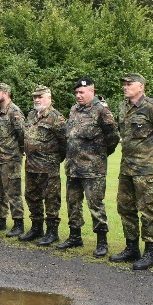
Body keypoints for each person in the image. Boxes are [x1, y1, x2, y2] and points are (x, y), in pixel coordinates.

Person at [107, 73, 153, 269]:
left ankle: (150, 252)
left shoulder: (151, 107)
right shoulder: (123, 107)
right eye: (125, 84)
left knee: (147, 211)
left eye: (130, 84)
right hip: (127, 167)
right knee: (125, 208)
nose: (125, 86)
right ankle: (131, 248)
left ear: (141, 87)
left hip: (147, 170)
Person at [58, 78, 119, 254]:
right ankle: (75, 236)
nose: (78, 95)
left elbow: (113, 137)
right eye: (76, 92)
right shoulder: (74, 109)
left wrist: (99, 155)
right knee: (73, 203)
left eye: (81, 92)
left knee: (95, 204)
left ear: (91, 91)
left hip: (93, 168)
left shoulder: (101, 110)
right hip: (73, 167)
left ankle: (102, 242)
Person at [20, 85, 67, 246]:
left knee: (51, 199)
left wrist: (54, 159)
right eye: (35, 97)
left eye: (40, 96)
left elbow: (64, 143)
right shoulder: (32, 114)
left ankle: (52, 232)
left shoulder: (56, 117)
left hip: (48, 166)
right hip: (31, 164)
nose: (37, 99)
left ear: (49, 98)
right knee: (32, 196)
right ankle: (36, 227)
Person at [0, 82, 26, 236]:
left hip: (10, 159)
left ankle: (18, 223)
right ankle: (0, 220)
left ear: (6, 93)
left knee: (13, 192)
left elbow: (22, 134)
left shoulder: (14, 112)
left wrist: (20, 151)